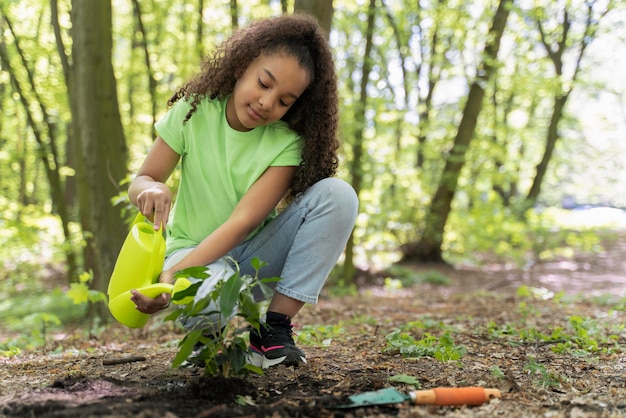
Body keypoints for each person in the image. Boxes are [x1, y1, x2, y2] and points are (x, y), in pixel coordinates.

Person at [127, 14, 358, 369]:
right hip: (190, 254)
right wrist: (151, 189)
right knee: (211, 295)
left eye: (284, 101)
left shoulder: (285, 144)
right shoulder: (193, 111)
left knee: (339, 196)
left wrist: (170, 277)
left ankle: (273, 331)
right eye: (264, 83)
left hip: (252, 257)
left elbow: (243, 222)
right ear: (241, 66)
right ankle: (209, 338)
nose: (267, 103)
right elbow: (143, 178)